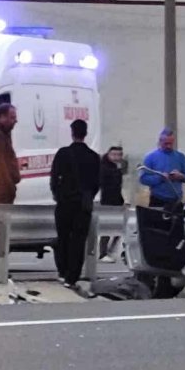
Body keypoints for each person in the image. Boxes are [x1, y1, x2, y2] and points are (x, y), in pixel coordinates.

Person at [50, 120, 101, 289]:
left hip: (65, 202)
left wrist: (58, 194)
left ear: (72, 132)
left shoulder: (63, 154)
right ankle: (73, 275)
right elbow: (97, 183)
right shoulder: (93, 157)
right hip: (83, 204)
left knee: (63, 237)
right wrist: (88, 196)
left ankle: (63, 270)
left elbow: (54, 178)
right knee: (78, 240)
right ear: (85, 133)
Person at [139, 129, 185, 208]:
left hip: (176, 200)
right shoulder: (150, 157)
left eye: (171, 143)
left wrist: (181, 176)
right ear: (160, 142)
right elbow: (143, 179)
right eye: (166, 143)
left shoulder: (180, 157)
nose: (169, 146)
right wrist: (160, 178)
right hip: (158, 199)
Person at [97, 145, 126, 262]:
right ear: (108, 155)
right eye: (113, 154)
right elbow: (107, 185)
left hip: (116, 200)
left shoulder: (117, 168)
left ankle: (110, 250)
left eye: (119, 155)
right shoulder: (104, 168)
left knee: (119, 228)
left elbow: (118, 187)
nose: (116, 157)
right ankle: (103, 252)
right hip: (107, 201)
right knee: (107, 228)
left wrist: (122, 201)